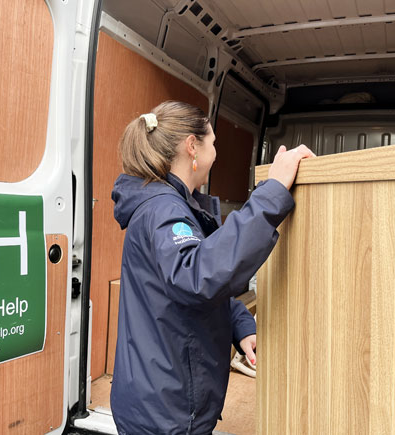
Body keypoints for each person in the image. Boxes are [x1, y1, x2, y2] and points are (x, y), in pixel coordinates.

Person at [110, 101, 314, 435]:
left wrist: (241, 325)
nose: (217, 153)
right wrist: (273, 191)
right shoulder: (164, 209)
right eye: (214, 143)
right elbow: (196, 277)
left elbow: (183, 292)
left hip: (158, 401)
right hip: (163, 413)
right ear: (193, 146)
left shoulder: (168, 204)